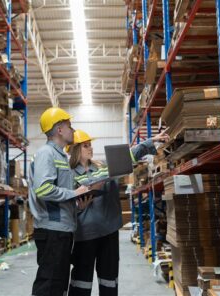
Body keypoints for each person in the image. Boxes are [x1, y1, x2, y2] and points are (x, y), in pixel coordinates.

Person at [67, 129, 170, 296]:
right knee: (81, 281)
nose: (90, 148)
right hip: (84, 235)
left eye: (90, 145)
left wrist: (152, 141)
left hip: (108, 232)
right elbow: (64, 204)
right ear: (75, 150)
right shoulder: (68, 175)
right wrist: (80, 204)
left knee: (109, 279)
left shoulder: (102, 167)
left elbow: (130, 155)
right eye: (86, 146)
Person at [28, 107, 91, 296]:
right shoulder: (46, 153)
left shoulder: (61, 156)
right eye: (69, 126)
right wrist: (74, 193)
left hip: (62, 230)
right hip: (52, 230)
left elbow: (58, 192)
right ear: (59, 130)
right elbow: (43, 189)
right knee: (49, 285)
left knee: (58, 284)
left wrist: (78, 206)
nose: (73, 130)